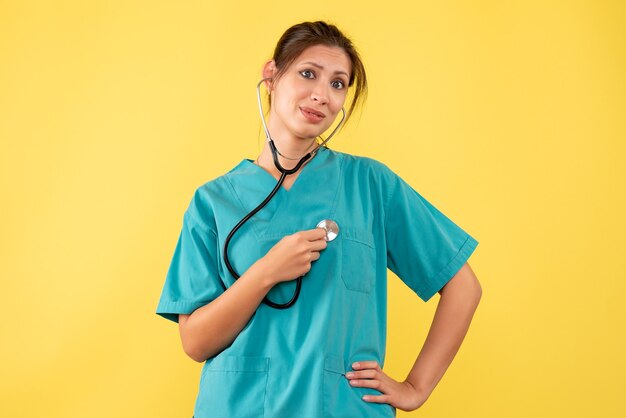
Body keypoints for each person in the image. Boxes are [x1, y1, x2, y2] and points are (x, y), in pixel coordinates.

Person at [156, 20, 482, 418]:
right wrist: (266, 272)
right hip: (238, 407)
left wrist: (416, 387)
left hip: (339, 408)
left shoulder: (369, 185)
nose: (322, 95)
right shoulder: (214, 201)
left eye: (338, 84)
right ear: (271, 76)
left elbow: (463, 285)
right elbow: (195, 343)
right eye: (308, 74)